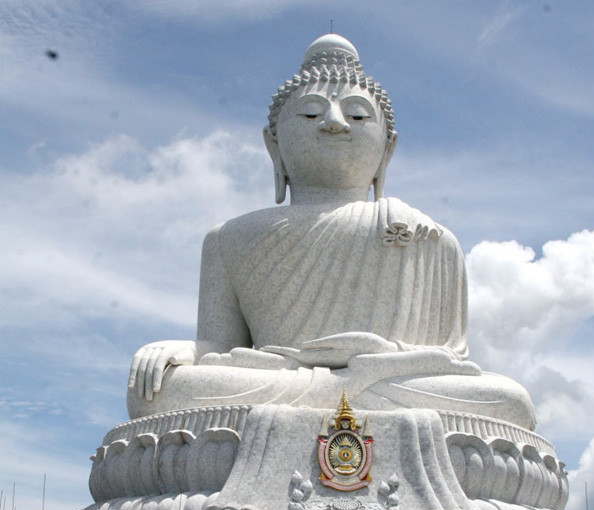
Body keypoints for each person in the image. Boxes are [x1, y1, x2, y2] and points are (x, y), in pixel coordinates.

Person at [126, 34, 535, 432]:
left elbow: (449, 359)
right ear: (274, 145)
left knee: (510, 401)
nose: (334, 123)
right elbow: (219, 344)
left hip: (390, 383)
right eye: (309, 114)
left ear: (387, 149)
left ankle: (324, 402)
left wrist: (376, 358)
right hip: (282, 378)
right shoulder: (229, 238)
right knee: (157, 391)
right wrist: (187, 352)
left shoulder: (428, 237)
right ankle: (335, 398)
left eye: (357, 115)